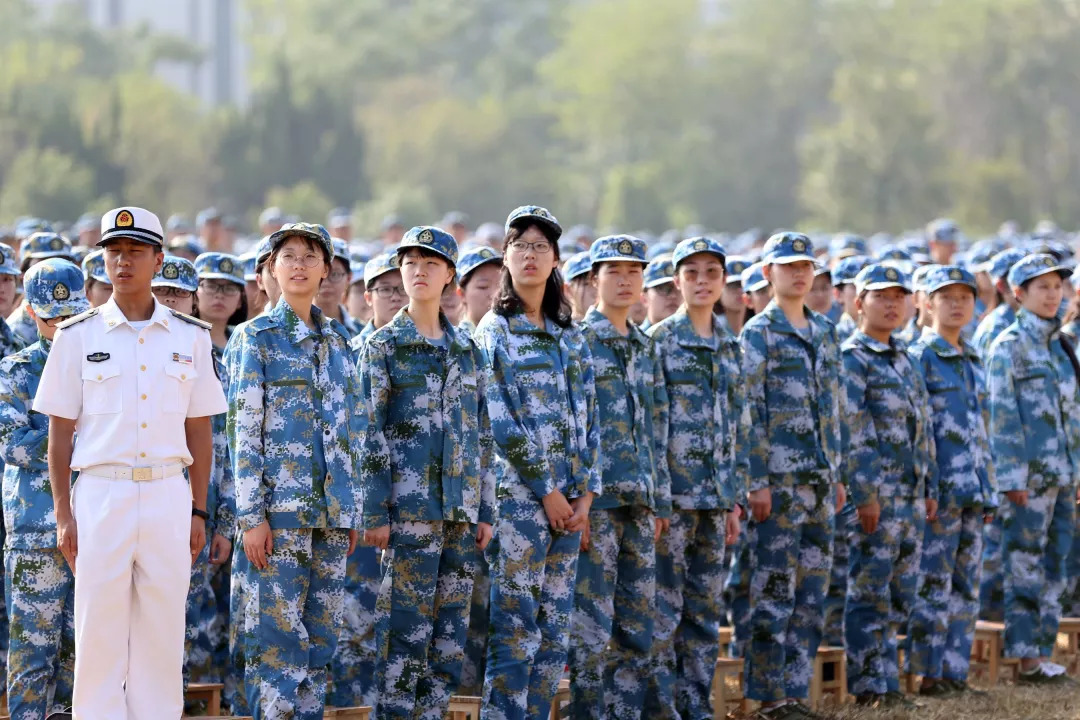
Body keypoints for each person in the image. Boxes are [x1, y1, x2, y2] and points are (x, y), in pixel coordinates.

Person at [33, 206, 227, 718]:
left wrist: (199, 510)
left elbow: (200, 431)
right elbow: (59, 436)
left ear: (158, 259)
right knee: (98, 636)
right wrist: (62, 514)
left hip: (167, 492)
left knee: (162, 637)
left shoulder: (190, 337)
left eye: (135, 252)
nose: (123, 262)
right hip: (101, 493)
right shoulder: (78, 335)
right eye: (114, 252)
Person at [226, 222, 362, 717]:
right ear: (272, 269)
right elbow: (243, 433)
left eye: (311, 256)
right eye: (289, 256)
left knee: (320, 649)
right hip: (278, 520)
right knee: (278, 651)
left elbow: (351, 433)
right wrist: (251, 517)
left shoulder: (339, 343)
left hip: (328, 519)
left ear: (327, 269)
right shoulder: (254, 338)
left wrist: (349, 510)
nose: (300, 264)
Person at [359, 225, 494, 720]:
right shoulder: (383, 346)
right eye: (410, 263)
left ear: (450, 277)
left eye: (431, 264)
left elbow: (481, 434)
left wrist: (485, 509)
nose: (419, 271)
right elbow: (367, 433)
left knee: (447, 645)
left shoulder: (466, 349)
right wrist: (374, 511)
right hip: (406, 516)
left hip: (458, 513)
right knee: (403, 643)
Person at [476, 205, 599, 720]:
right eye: (520, 246)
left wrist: (585, 493)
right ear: (505, 257)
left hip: (570, 505)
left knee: (553, 634)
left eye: (541, 247)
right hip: (520, 502)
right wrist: (547, 491)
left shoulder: (569, 333)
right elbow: (501, 421)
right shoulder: (493, 330)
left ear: (555, 261)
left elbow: (591, 415)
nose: (530, 256)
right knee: (517, 629)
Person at [740, 232, 844, 720]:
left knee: (811, 594)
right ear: (768, 275)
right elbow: (749, 413)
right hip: (778, 484)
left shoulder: (825, 331)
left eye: (807, 266)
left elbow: (833, 409)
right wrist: (756, 479)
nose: (800, 274)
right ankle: (766, 695)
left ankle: (796, 692)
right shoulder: (758, 334)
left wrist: (838, 472)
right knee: (774, 592)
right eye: (788, 266)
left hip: (820, 482)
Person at [568, 235, 667, 720]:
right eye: (615, 272)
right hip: (599, 505)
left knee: (636, 624)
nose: (626, 281)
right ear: (592, 282)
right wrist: (578, 503)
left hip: (640, 503)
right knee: (589, 628)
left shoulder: (646, 345)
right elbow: (572, 426)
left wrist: (661, 501)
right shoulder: (579, 342)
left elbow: (656, 426)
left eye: (634, 272)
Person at [645, 236, 745, 719]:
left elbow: (738, 426)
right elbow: (651, 428)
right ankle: (665, 709)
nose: (702, 283)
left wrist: (734, 500)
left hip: (715, 500)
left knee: (704, 614)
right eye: (692, 274)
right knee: (664, 614)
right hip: (675, 501)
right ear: (678, 281)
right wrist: (660, 501)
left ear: (724, 282)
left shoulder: (731, 345)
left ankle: (696, 706)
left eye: (711, 273)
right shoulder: (660, 340)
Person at [841, 264, 935, 708]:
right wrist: (865, 495)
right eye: (881, 296)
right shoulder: (852, 358)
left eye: (899, 296)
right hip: (877, 498)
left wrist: (929, 485)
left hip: (911, 496)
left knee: (901, 593)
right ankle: (868, 685)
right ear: (859, 304)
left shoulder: (906, 356)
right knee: (869, 591)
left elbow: (924, 428)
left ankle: (889, 679)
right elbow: (855, 431)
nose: (892, 304)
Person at [0, 259, 89, 719]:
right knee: (33, 656)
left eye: (71, 316)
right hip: (36, 531)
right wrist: (81, 440)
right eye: (52, 318)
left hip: (95, 526)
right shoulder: (14, 372)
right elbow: (13, 445)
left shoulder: (100, 367)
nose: (62, 326)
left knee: (84, 656)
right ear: (32, 314)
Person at [986, 253, 1080, 685]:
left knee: (1056, 564)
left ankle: (1042, 652)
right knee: (1023, 565)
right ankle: (1025, 658)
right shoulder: (1008, 346)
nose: (1052, 295)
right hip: (1029, 481)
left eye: (1057, 286)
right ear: (1018, 293)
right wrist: (1011, 478)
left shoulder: (1061, 346)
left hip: (1064, 476)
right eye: (1041, 287)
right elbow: (1001, 417)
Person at [906, 266, 996, 698]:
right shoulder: (919, 357)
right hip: (939, 494)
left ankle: (955, 672)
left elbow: (983, 428)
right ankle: (928, 673)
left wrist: (989, 486)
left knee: (965, 587)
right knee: (932, 585)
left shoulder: (974, 357)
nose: (959, 304)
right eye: (947, 297)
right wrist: (926, 487)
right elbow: (918, 432)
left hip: (974, 490)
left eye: (966, 297)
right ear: (925, 302)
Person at [316, 238, 362, 337]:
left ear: (349, 278)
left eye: (335, 274)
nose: (326, 282)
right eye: (319, 274)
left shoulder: (361, 332)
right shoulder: (292, 328)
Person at [455, 247, 503, 337]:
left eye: (501, 286)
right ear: (462, 294)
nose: (495, 294)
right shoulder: (456, 342)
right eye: (483, 287)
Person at [830, 256, 869, 345]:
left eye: (874, 290)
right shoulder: (832, 339)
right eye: (856, 287)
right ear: (838, 294)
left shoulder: (891, 335)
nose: (865, 294)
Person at [717, 256, 750, 337]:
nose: (741, 290)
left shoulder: (762, 327)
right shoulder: (711, 329)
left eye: (744, 284)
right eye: (733, 285)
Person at [563, 251, 596, 323]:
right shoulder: (559, 332)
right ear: (568, 290)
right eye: (586, 284)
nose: (595, 292)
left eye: (599, 283)